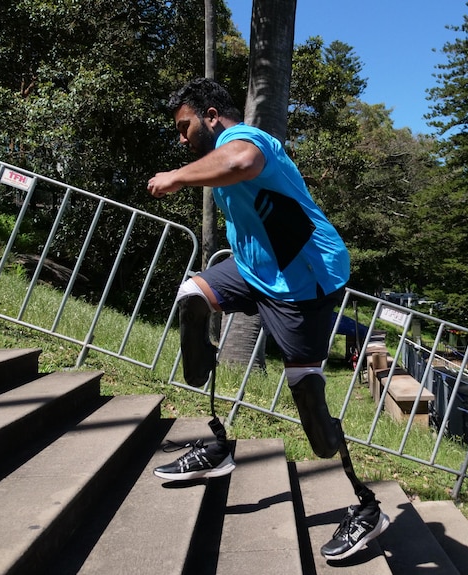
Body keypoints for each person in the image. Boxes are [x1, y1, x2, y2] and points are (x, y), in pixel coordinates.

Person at [147, 78, 388, 561]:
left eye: (185, 126)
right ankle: (215, 435)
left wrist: (176, 175)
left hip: (305, 279)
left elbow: (241, 162)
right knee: (192, 293)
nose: (181, 138)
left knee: (307, 398)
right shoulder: (220, 158)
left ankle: (367, 508)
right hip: (257, 268)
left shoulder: (252, 141)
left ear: (212, 115)